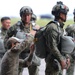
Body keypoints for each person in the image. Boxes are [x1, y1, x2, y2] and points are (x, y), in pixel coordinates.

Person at [4, 6, 40, 75]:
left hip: (31, 54)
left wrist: (34, 42)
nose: (26, 17)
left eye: (28, 15)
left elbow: (39, 40)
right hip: (19, 54)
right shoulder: (15, 27)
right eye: (24, 15)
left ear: (31, 15)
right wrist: (10, 50)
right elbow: (6, 37)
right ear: (21, 15)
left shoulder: (35, 27)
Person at [44, 1, 70, 75]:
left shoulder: (60, 28)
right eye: (65, 14)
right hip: (52, 64)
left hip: (59, 62)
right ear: (60, 14)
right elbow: (53, 46)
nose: (66, 16)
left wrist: (67, 57)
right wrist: (61, 60)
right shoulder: (52, 27)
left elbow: (63, 45)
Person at [65, 9, 75, 75]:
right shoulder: (70, 28)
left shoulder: (70, 27)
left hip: (71, 52)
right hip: (71, 53)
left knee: (69, 73)